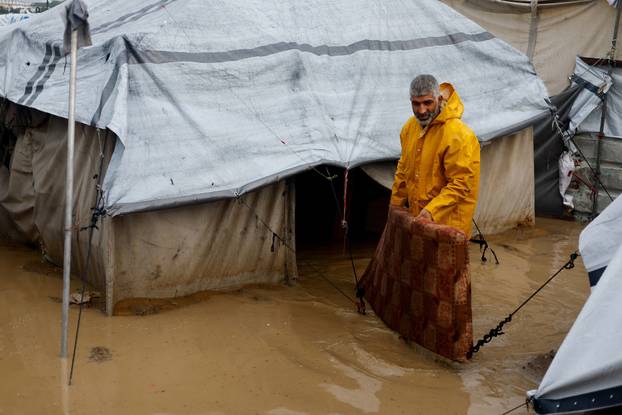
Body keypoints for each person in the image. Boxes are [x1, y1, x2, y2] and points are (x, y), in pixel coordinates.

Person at [390, 74, 480, 236]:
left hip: (449, 225)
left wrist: (431, 211)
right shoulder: (409, 128)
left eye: (427, 103)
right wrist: (395, 206)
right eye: (416, 104)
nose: (422, 110)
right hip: (420, 219)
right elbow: (403, 171)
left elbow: (461, 184)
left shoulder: (458, 134)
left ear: (438, 98)